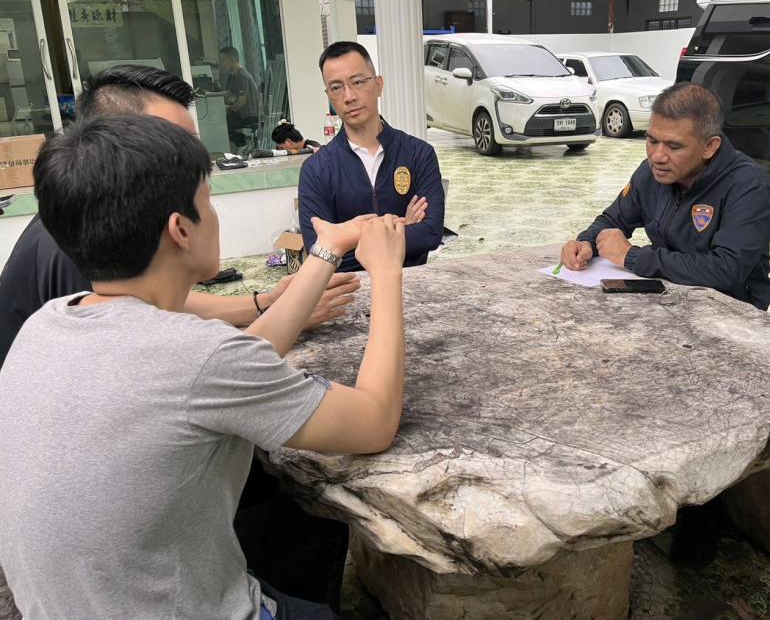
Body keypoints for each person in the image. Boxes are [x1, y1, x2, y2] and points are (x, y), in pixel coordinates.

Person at [0, 114, 407, 619]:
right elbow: (374, 421)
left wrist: (327, 250)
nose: (213, 215)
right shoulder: (199, 358)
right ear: (181, 230)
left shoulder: (47, 324)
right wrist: (386, 272)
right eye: (208, 200)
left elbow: (238, 360)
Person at [0, 65, 359, 370]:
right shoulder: (80, 241)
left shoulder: (105, 218)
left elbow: (152, 302)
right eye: (174, 141)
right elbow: (224, 377)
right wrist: (291, 311)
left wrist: (264, 303)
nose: (192, 159)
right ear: (112, 142)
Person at [560, 82, 770, 311]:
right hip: (669, 297)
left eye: (674, 146)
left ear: (709, 147)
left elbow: (727, 269)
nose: (658, 156)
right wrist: (586, 242)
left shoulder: (747, 185)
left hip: (731, 310)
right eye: (652, 141)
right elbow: (613, 219)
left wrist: (633, 257)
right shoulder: (651, 173)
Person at [299, 41, 445, 272]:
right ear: (329, 96)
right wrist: (400, 229)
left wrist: (343, 240)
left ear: (378, 85)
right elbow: (319, 252)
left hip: (410, 284)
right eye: (336, 87)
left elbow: (430, 234)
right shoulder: (316, 170)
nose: (349, 96)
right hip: (351, 289)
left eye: (358, 82)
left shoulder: (418, 154)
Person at [219, 46, 261, 148]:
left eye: (224, 59)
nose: (222, 63)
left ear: (232, 59)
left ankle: (246, 142)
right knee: (223, 121)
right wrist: (209, 95)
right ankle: (245, 143)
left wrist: (229, 109)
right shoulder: (235, 75)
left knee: (222, 125)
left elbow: (242, 101)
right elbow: (229, 93)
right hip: (243, 114)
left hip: (249, 116)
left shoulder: (241, 75)